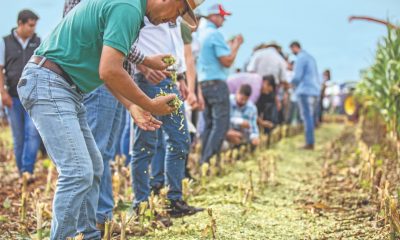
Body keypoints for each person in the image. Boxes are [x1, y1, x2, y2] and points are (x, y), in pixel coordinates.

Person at [17, 0, 203, 238]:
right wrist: (149, 103)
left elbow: (107, 69)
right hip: (50, 82)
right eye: (177, 12)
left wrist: (132, 105)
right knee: (77, 171)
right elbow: (109, 70)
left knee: (94, 166)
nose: (172, 21)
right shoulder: (128, 8)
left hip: (67, 87)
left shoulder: (131, 10)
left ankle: (89, 234)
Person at [131, 16, 203, 219]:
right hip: (148, 79)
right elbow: (124, 40)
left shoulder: (172, 15)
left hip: (169, 79)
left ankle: (173, 199)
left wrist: (179, 77)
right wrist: (144, 67)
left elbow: (172, 44)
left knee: (180, 140)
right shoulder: (141, 9)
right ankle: (141, 204)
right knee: (145, 143)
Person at [197, 4, 243, 164]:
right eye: (222, 16)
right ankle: (208, 161)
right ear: (213, 16)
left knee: (209, 124)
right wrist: (236, 46)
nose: (224, 20)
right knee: (220, 125)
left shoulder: (201, 34)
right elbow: (227, 61)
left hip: (203, 84)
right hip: (217, 84)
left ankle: (203, 159)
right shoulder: (215, 34)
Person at [0, 10, 41, 178]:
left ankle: (27, 171)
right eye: (30, 25)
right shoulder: (5, 42)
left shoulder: (38, 42)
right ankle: (21, 170)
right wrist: (3, 94)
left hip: (32, 97)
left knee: (33, 133)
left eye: (34, 25)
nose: (33, 29)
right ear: (20, 23)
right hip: (13, 98)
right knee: (18, 137)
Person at [290, 41, 321, 150]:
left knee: (306, 117)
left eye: (292, 50)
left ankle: (309, 142)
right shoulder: (310, 58)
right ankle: (310, 141)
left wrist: (291, 84)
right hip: (315, 90)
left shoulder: (300, 58)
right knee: (310, 117)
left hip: (305, 90)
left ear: (295, 47)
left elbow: (297, 77)